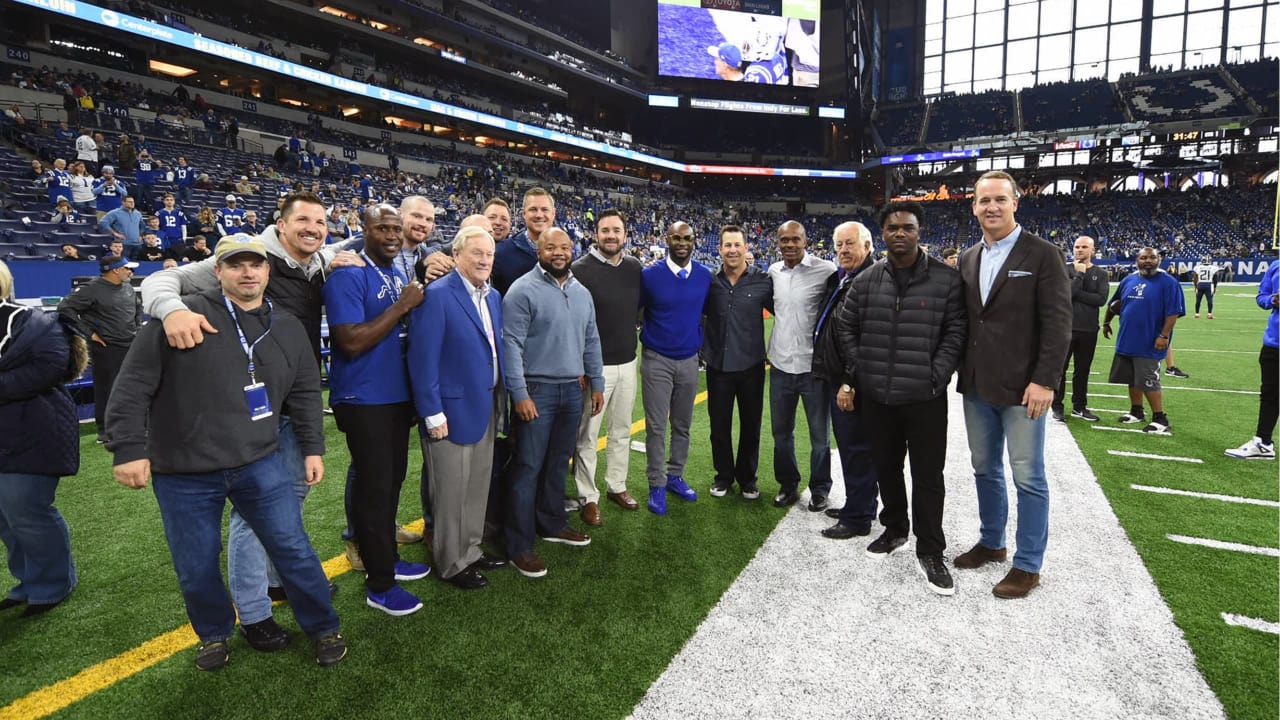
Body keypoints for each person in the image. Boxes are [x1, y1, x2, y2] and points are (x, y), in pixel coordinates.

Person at [107, 236, 346, 670]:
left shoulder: (287, 325)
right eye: (236, 265)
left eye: (256, 264)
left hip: (260, 460)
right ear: (218, 272)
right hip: (184, 471)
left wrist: (313, 447)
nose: (248, 272)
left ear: (268, 271)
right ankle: (214, 634)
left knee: (293, 547)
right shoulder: (180, 317)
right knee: (196, 564)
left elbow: (307, 393)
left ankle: (324, 626)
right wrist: (128, 448)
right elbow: (131, 388)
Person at [836, 204, 966, 595]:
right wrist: (864, 371)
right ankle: (895, 529)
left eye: (907, 227)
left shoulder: (946, 279)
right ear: (883, 232)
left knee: (928, 476)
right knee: (886, 467)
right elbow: (846, 327)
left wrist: (935, 374)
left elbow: (956, 331)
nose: (899, 233)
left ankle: (931, 549)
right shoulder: (868, 279)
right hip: (878, 395)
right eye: (892, 227)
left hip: (924, 397)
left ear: (918, 231)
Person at [954, 170, 1071, 600]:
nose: (992, 207)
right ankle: (992, 542)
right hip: (977, 387)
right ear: (974, 206)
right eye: (984, 200)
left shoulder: (1043, 254)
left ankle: (1029, 564)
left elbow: (1059, 325)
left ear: (1016, 203)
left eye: (1000, 199)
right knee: (984, 468)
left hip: (1025, 389)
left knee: (1028, 476)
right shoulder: (969, 257)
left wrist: (1045, 380)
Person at [323, 205, 430, 615]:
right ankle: (379, 584)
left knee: (391, 484)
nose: (391, 235)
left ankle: (389, 559)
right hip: (363, 398)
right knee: (374, 490)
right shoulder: (349, 274)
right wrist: (402, 307)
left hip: (394, 396)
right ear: (362, 231)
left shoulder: (393, 272)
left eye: (395, 229)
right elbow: (349, 341)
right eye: (381, 228)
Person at [502, 227, 604, 577]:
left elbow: (591, 339)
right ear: (538, 251)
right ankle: (518, 544)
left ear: (572, 249)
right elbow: (511, 346)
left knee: (559, 462)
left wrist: (598, 383)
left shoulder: (581, 292)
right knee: (528, 466)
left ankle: (552, 523)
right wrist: (520, 394)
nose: (558, 253)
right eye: (550, 247)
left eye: (564, 247)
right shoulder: (522, 290)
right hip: (538, 390)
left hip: (572, 390)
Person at [409, 225, 507, 589]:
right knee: (450, 493)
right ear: (457, 256)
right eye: (477, 253)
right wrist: (432, 413)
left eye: (489, 255)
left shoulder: (493, 296)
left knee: (477, 487)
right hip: (448, 412)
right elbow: (423, 361)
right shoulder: (437, 295)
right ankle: (451, 562)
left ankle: (471, 550)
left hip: (485, 405)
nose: (484, 260)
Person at [0, 260, 87, 616]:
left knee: (27, 509)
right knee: (6, 517)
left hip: (32, 429)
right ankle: (28, 581)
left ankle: (53, 583)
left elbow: (50, 367)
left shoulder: (30, 321)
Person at [570, 209, 644, 524]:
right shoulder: (579, 269)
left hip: (628, 361)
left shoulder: (634, 268)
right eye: (605, 230)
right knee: (588, 435)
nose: (611, 236)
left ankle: (617, 485)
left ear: (625, 234)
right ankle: (588, 495)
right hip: (594, 367)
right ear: (596, 234)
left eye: (616, 230)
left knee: (622, 430)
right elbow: (571, 321)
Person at [639, 221, 712, 515]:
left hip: (689, 361)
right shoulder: (649, 276)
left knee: (682, 425)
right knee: (656, 427)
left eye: (687, 238)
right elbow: (639, 310)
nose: (682, 242)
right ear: (667, 239)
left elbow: (706, 314)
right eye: (676, 237)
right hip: (656, 359)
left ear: (695, 241)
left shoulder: (705, 275)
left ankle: (674, 476)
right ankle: (656, 483)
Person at [812, 221, 877, 539]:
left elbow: (867, 340)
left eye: (850, 244)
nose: (843, 250)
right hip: (840, 377)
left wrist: (849, 382)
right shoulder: (846, 277)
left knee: (856, 448)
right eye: (838, 245)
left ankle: (858, 518)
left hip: (852, 382)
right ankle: (861, 504)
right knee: (854, 447)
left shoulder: (869, 280)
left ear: (867, 245)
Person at [768, 220, 837, 510]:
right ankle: (788, 485)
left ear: (806, 241)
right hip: (781, 366)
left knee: (820, 435)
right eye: (784, 240)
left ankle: (820, 487)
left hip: (814, 369)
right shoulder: (773, 272)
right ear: (778, 242)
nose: (790, 245)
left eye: (795, 239)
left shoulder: (826, 271)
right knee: (781, 434)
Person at [702, 224, 772, 500]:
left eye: (737, 245)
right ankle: (723, 476)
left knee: (750, 426)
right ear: (719, 249)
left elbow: (788, 311)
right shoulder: (710, 282)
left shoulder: (763, 281)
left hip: (752, 366)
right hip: (718, 365)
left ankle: (747, 478)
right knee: (718, 426)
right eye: (727, 245)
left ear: (746, 247)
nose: (732, 250)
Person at [56, 255, 140, 444]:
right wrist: (89, 333)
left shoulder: (127, 287)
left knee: (133, 386)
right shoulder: (91, 289)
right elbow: (65, 308)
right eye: (127, 268)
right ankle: (106, 432)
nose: (130, 272)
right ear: (115, 270)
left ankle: (132, 426)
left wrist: (137, 329)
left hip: (130, 343)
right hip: (106, 347)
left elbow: (137, 308)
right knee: (107, 389)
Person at [1103, 247, 1184, 436]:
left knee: (1148, 379)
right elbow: (1115, 304)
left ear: (1159, 259)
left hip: (1150, 341)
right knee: (1131, 378)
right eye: (1143, 257)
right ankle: (1136, 411)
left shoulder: (1169, 283)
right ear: (1137, 260)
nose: (1147, 261)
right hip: (1127, 338)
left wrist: (1164, 336)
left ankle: (1160, 418)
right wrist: (1107, 322)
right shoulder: (1128, 280)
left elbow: (1173, 313)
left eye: (1152, 257)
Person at [1052, 236, 1109, 423]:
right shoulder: (1064, 269)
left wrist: (1076, 293)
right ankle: (1057, 407)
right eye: (1077, 246)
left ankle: (1079, 407)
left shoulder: (1101, 273)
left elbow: (1100, 300)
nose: (1079, 250)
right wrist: (1079, 275)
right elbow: (1065, 295)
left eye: (1084, 247)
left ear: (1092, 250)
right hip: (1064, 328)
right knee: (1060, 369)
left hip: (1088, 329)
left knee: (1082, 370)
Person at [1225, 261, 1278, 460]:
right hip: (1275, 342)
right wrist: (1273, 300)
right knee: (1270, 394)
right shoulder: (1276, 266)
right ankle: (1263, 443)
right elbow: (1261, 297)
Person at [492, 188, 553, 295]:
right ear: (524, 213)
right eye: (533, 209)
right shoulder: (501, 252)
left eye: (545, 209)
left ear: (553, 213)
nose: (539, 215)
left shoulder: (565, 253)